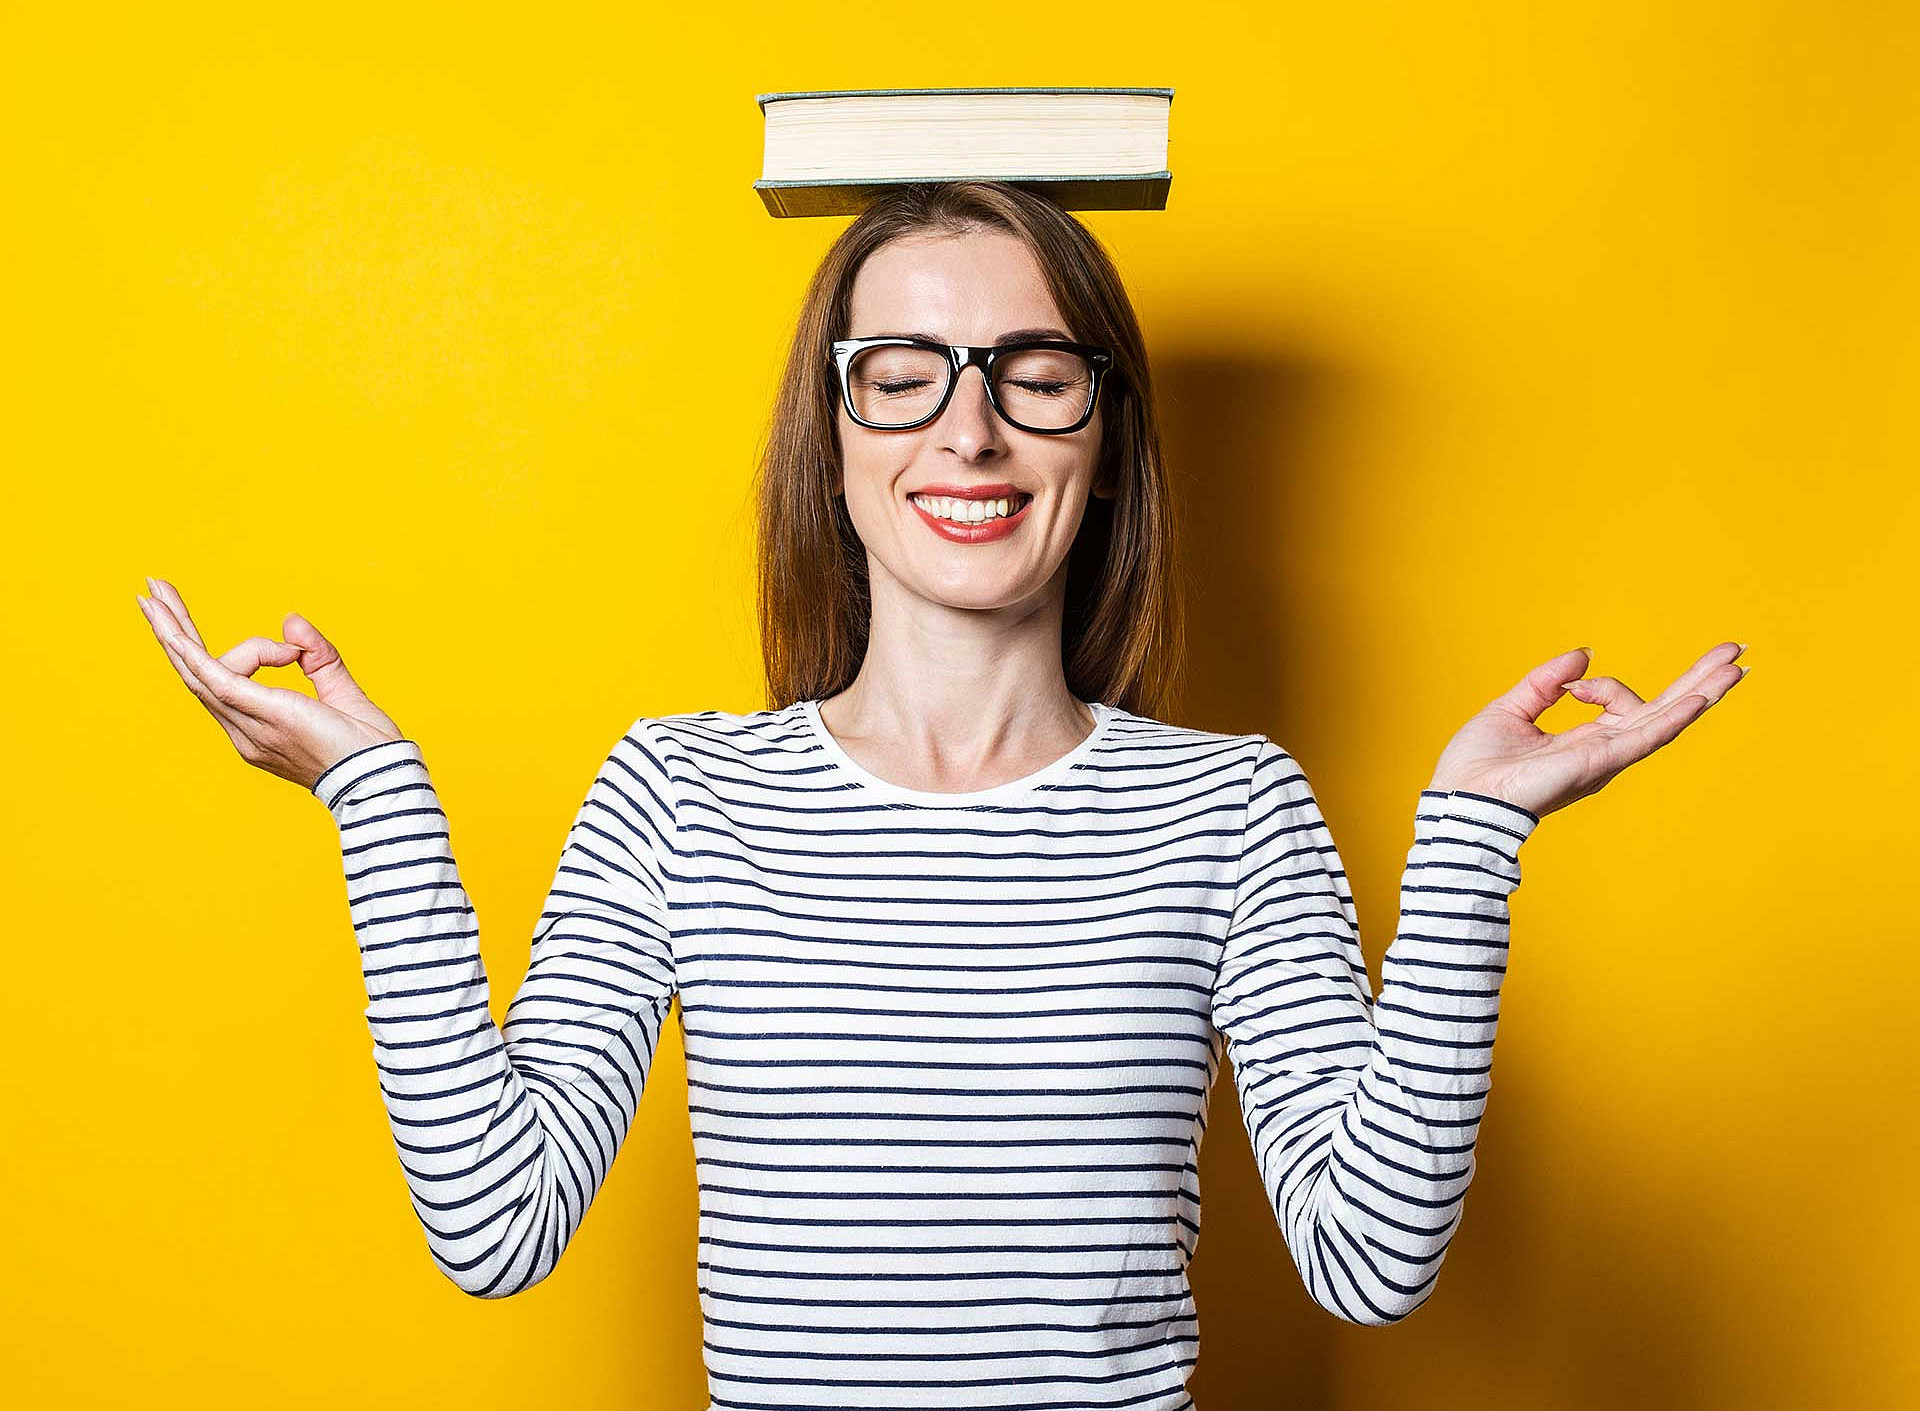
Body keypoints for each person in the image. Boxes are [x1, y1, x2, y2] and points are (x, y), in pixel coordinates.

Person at [137, 179, 1746, 1411]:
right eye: (900, 372)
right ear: (828, 439)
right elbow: (498, 1227)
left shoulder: (1232, 811)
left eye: (1035, 372)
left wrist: (1472, 842)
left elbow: (1368, 1264)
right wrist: (374, 803)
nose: (969, 430)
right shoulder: (677, 795)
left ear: (1105, 440)